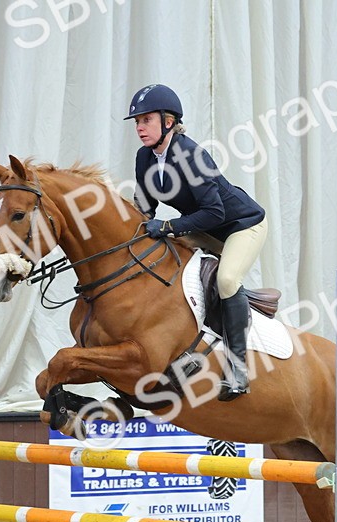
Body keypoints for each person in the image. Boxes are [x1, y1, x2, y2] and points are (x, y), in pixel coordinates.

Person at [125, 83, 267, 402]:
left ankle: (238, 369)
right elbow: (144, 208)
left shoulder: (191, 154)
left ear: (169, 121)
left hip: (241, 226)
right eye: (137, 122)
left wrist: (170, 225)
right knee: (158, 256)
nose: (139, 128)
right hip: (202, 226)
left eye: (146, 120)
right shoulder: (144, 158)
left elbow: (215, 211)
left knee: (228, 280)